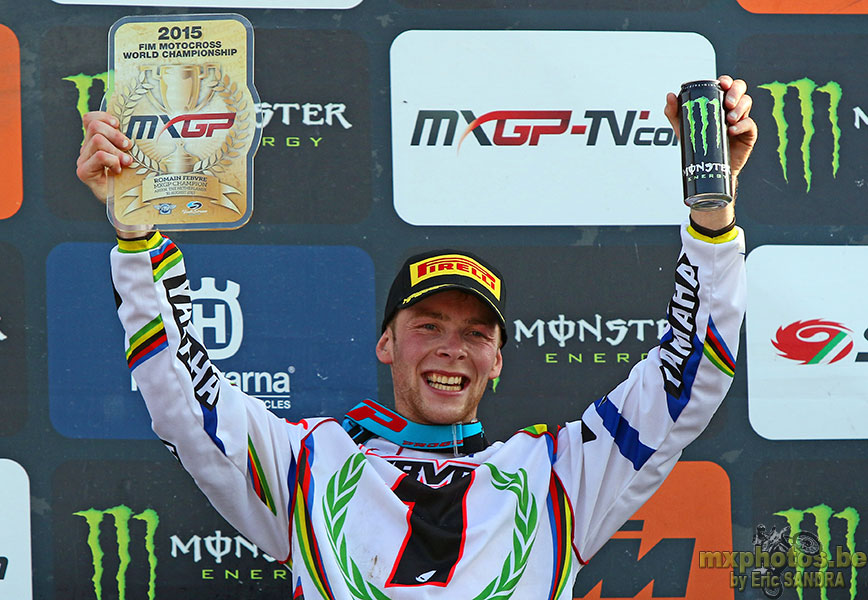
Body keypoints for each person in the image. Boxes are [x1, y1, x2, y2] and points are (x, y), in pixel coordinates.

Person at [77, 75, 756, 599]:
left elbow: (690, 378)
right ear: (386, 345)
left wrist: (712, 209)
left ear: (497, 361)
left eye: (474, 333)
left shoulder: (559, 477)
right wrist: (136, 232)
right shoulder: (306, 467)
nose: (451, 348)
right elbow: (183, 401)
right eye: (427, 326)